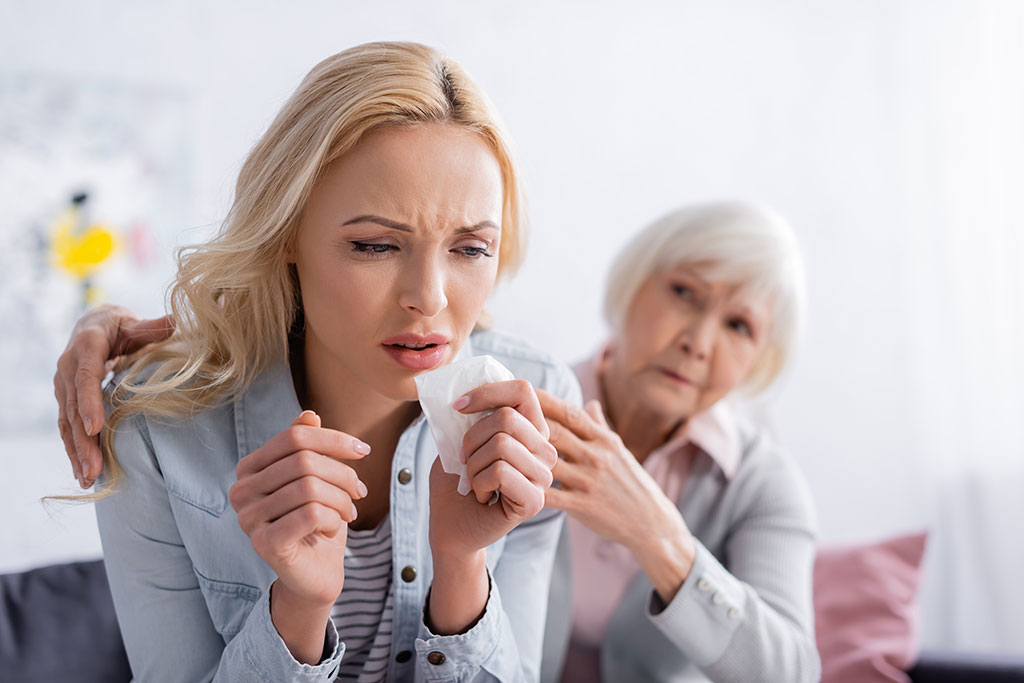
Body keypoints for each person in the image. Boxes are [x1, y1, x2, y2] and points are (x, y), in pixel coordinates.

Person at [53, 41, 581, 682]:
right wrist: (297, 610)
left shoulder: (537, 405)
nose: (430, 297)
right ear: (287, 237)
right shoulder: (158, 432)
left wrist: (464, 565)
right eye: (375, 245)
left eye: (470, 248)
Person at [538, 202, 820, 682]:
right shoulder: (524, 410)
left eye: (738, 326)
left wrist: (660, 539)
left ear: (759, 360)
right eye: (685, 293)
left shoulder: (761, 483)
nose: (699, 342)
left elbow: (789, 673)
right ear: (634, 284)